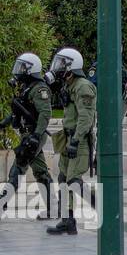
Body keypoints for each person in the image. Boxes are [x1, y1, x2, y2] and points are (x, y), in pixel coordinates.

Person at [44, 47, 95, 236]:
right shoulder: (70, 85)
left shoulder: (83, 86)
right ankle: (68, 220)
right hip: (68, 137)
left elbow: (86, 118)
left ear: (72, 67)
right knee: (63, 178)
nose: (58, 68)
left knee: (74, 180)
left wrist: (76, 140)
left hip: (78, 140)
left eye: (62, 64)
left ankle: (101, 206)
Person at [0, 53, 54, 219]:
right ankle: (55, 208)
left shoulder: (40, 89)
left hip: (33, 134)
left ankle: (2, 202)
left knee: (18, 166)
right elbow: (18, 112)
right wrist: (3, 124)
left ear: (31, 69)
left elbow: (45, 114)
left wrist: (36, 136)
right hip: (28, 134)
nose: (19, 71)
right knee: (40, 172)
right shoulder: (26, 88)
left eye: (23, 67)